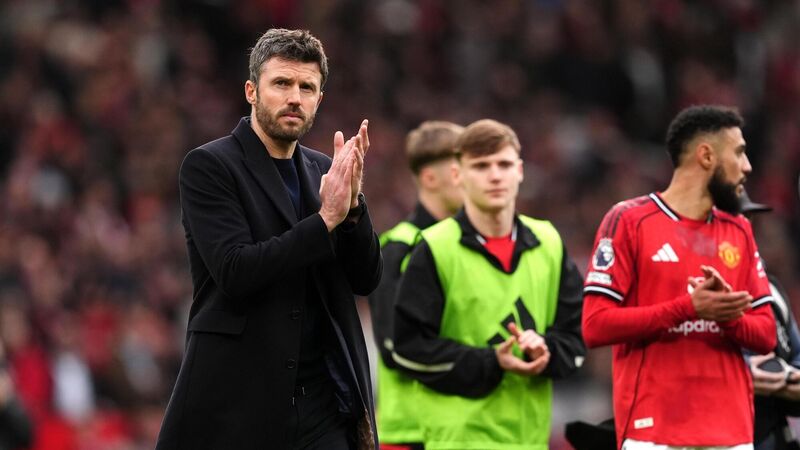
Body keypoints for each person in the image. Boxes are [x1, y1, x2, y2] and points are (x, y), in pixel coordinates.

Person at [156, 28, 382, 450]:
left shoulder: (324, 171)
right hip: (239, 402)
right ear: (251, 91)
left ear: (319, 99)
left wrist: (353, 209)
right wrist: (325, 220)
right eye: (281, 83)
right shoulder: (209, 166)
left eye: (306, 87)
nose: (294, 97)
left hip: (323, 407)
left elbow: (366, 279)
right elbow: (236, 271)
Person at [582, 105, 776, 449]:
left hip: (731, 433)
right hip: (654, 431)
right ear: (706, 156)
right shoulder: (629, 220)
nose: (747, 166)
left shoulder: (739, 229)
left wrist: (726, 316)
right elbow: (595, 326)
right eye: (739, 152)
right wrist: (688, 308)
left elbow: (766, 335)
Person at [391, 119, 585, 449]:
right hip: (458, 441)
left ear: (520, 171)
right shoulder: (435, 247)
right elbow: (409, 349)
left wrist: (547, 351)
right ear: (458, 175)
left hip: (530, 440)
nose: (495, 176)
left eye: (504, 165)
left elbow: (576, 336)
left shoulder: (549, 241)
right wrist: (491, 361)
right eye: (481, 166)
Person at [367, 121, 463, 450]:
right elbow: (393, 347)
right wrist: (482, 362)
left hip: (465, 428)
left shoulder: (471, 247)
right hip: (411, 433)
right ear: (430, 178)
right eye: (459, 169)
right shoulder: (398, 248)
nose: (471, 178)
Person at [739, 191, 800, 450]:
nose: (743, 227)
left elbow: (796, 357)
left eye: (747, 219)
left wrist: (784, 377)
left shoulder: (771, 291)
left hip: (771, 437)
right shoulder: (692, 291)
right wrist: (742, 373)